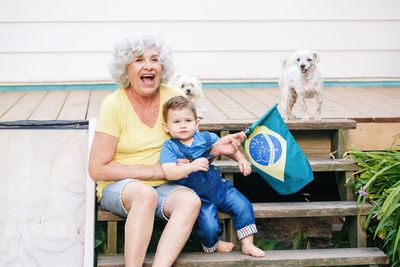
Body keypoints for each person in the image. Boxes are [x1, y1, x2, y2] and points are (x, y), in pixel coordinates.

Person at [88, 33, 246, 267]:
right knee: (145, 194)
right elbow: (97, 169)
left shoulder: (175, 96)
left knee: (190, 200)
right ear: (126, 69)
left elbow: (192, 148)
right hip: (120, 185)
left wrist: (214, 149)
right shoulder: (114, 104)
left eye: (155, 59)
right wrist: (155, 172)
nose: (149, 66)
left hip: (167, 183)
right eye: (139, 60)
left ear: (163, 67)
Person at [160, 96, 266, 258]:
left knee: (243, 205)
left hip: (220, 188)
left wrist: (241, 159)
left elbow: (226, 148)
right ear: (166, 127)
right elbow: (169, 172)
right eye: (176, 122)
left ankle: (247, 244)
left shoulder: (205, 137)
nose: (183, 125)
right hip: (197, 197)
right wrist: (190, 166)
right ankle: (213, 244)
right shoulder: (170, 147)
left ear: (196, 123)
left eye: (188, 120)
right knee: (208, 225)